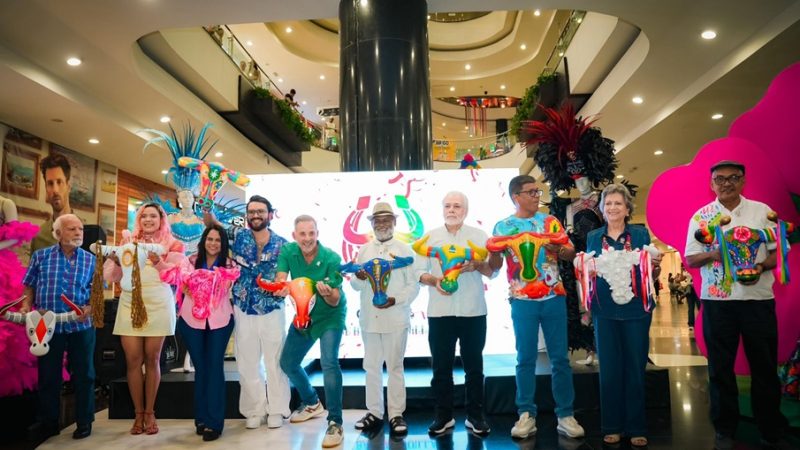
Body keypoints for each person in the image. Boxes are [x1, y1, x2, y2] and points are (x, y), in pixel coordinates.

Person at [684, 160, 789, 449]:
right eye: (720, 179)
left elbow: (778, 252)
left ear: (743, 181)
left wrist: (759, 267)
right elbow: (691, 258)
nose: (726, 183)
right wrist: (718, 253)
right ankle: (724, 428)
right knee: (720, 369)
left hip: (758, 301)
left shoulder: (762, 212)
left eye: (734, 178)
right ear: (711, 184)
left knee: (765, 368)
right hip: (718, 302)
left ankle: (770, 428)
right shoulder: (702, 217)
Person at [487, 175, 585, 440]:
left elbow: (570, 252)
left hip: (554, 296)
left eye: (537, 191)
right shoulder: (504, 226)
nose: (536, 195)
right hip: (522, 300)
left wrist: (557, 246)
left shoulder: (549, 222)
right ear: (515, 196)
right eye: (531, 192)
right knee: (525, 359)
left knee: (560, 360)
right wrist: (495, 251)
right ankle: (526, 414)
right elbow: (495, 266)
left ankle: (565, 414)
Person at [204, 195, 291, 430]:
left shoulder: (284, 245)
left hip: (272, 309)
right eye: (251, 211)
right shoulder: (237, 237)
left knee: (275, 362)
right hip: (243, 308)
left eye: (260, 211)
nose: (255, 215)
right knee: (247, 362)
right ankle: (254, 409)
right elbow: (213, 225)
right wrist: (206, 205)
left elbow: (290, 276)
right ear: (247, 215)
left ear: (270, 215)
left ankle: (277, 409)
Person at [585, 184, 661, 447]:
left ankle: (636, 425)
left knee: (635, 367)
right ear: (602, 209)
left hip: (636, 310)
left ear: (627, 208)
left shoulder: (640, 234)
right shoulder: (594, 237)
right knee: (609, 370)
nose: (613, 208)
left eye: (618, 203)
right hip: (604, 311)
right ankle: (612, 425)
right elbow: (588, 274)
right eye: (608, 204)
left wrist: (655, 268)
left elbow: (652, 273)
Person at [103, 203, 185, 436]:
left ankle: (150, 412)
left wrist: (158, 261)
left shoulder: (173, 243)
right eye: (144, 216)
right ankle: (138, 414)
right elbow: (114, 277)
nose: (148, 220)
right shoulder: (127, 243)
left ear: (161, 219)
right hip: (130, 302)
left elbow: (176, 277)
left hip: (158, 302)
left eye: (153, 216)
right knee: (132, 360)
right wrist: (118, 261)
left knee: (152, 358)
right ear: (139, 219)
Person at [418, 191, 494, 436]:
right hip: (440, 312)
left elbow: (492, 272)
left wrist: (478, 265)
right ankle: (443, 416)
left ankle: (475, 416)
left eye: (457, 206)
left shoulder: (479, 236)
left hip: (473, 311)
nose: (452, 210)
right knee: (441, 367)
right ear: (442, 209)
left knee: (474, 367)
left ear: (466, 210)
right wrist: (434, 281)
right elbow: (419, 273)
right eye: (448, 206)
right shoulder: (430, 237)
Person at [21, 214, 95, 441]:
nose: (78, 233)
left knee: (84, 375)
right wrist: (25, 306)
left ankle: (84, 421)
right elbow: (29, 285)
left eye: (80, 229)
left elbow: (97, 293)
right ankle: (48, 422)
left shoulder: (91, 260)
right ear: (58, 233)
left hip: (80, 325)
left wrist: (90, 308)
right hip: (47, 324)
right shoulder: (40, 257)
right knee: (48, 375)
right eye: (72, 229)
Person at [161, 224, 237, 441]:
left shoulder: (229, 265)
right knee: (201, 369)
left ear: (223, 245)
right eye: (210, 239)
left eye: (218, 240)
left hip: (219, 322)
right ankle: (201, 418)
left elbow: (225, 288)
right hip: (191, 321)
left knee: (214, 368)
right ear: (203, 241)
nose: (213, 244)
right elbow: (177, 279)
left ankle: (214, 423)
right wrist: (184, 285)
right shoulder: (190, 261)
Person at [350, 202, 419, 436]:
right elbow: (356, 285)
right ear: (371, 224)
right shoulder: (363, 250)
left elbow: (413, 286)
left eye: (386, 220)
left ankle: (396, 414)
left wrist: (395, 300)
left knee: (395, 367)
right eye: (377, 220)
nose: (382, 224)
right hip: (370, 319)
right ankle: (375, 412)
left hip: (396, 318)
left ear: (395, 222)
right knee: (371, 367)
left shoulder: (405, 250)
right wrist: (358, 277)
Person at [277, 215, 346, 448]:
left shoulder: (332, 258)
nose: (307, 239)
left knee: (329, 362)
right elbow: (280, 280)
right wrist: (280, 288)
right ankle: (312, 402)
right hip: (303, 316)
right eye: (302, 234)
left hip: (330, 316)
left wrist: (329, 293)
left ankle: (335, 422)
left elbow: (336, 301)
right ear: (295, 235)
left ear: (317, 233)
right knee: (287, 362)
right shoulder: (288, 251)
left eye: (311, 233)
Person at [31, 154, 74, 253]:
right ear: (46, 188)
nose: (55, 190)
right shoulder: (38, 237)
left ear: (68, 186)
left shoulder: (86, 233)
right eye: (50, 183)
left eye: (59, 182)